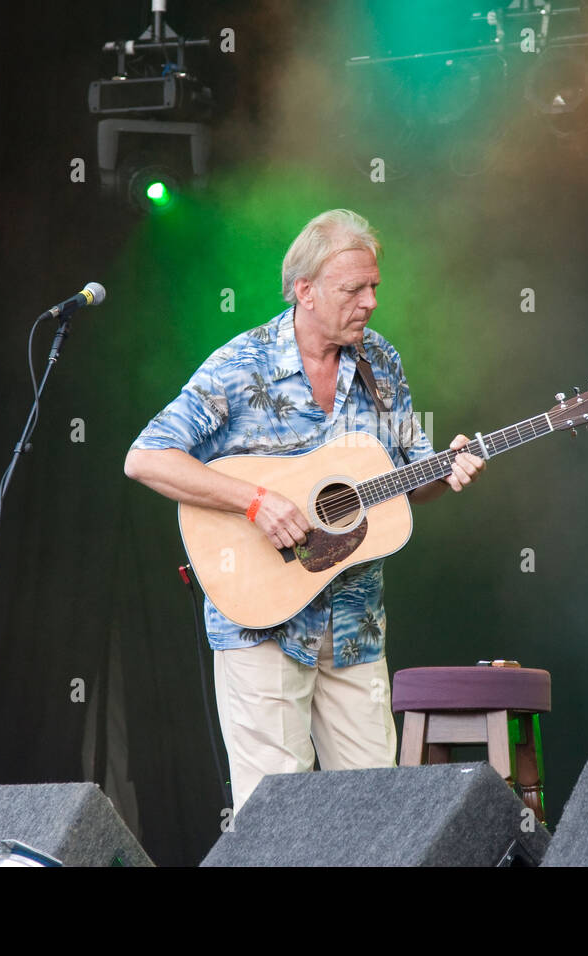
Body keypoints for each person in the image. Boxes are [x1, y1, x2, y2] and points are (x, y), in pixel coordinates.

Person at [124, 209, 485, 812]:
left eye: (375, 287)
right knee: (278, 824)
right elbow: (146, 458)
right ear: (305, 291)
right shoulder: (242, 366)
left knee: (378, 823)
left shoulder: (382, 362)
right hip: (260, 622)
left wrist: (447, 469)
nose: (370, 301)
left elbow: (410, 478)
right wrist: (254, 500)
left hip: (355, 629)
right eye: (353, 289)